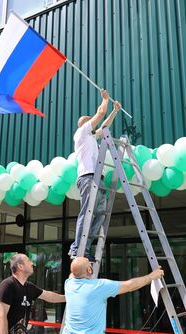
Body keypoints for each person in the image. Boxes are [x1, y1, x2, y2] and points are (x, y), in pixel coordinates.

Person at [68, 90, 121, 260]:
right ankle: (77, 249)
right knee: (87, 213)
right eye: (90, 121)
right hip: (88, 177)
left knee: (98, 215)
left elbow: (104, 123)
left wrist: (114, 111)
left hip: (99, 178)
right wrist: (105, 99)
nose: (93, 123)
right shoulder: (82, 133)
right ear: (84, 124)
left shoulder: (91, 137)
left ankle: (85, 250)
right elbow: (100, 114)